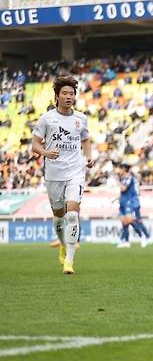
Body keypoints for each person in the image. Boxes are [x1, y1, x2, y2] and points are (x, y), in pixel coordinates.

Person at [31, 76, 93, 274]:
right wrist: (46, 152)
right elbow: (35, 144)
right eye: (65, 93)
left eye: (72, 94)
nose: (69, 97)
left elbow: (86, 139)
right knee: (59, 218)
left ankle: (70, 260)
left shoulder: (81, 119)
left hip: (75, 172)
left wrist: (89, 156)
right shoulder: (47, 118)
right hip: (54, 173)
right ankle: (63, 244)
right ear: (57, 96)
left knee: (73, 214)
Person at [116, 164, 152, 248]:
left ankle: (143, 236)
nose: (119, 171)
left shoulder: (129, 178)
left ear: (124, 169)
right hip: (123, 202)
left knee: (131, 221)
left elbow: (123, 189)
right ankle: (126, 241)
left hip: (129, 202)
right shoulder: (124, 179)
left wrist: (117, 182)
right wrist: (118, 198)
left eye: (120, 169)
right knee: (124, 223)